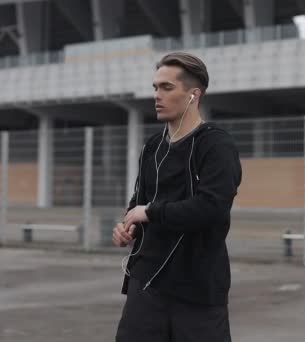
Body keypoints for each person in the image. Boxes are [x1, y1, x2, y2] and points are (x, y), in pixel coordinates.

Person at [112, 52, 242, 342]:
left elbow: (211, 207)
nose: (157, 95)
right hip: (146, 284)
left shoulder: (216, 145)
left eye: (167, 88)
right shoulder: (153, 146)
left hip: (197, 290)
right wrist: (128, 225)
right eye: (155, 87)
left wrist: (150, 212)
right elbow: (138, 201)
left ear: (193, 94)